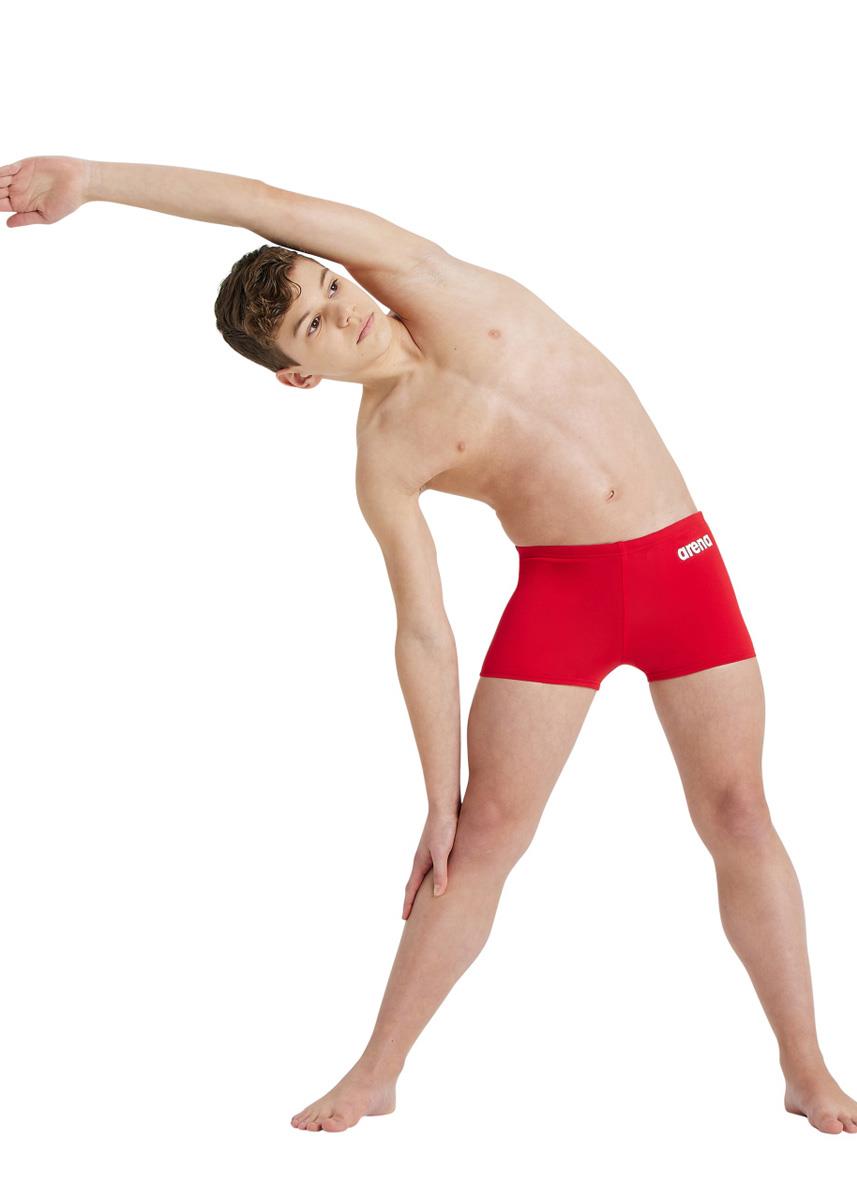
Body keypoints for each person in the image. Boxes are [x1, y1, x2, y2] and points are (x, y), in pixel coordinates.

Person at [3, 155, 855, 1136]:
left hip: (681, 572)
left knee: (739, 812)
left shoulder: (435, 285)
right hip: (564, 599)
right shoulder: (386, 451)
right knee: (476, 840)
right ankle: (375, 1074)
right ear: (298, 374)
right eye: (312, 326)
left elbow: (265, 205)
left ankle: (806, 1070)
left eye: (329, 285)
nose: (342, 311)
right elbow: (421, 627)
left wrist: (92, 180)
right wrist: (436, 797)